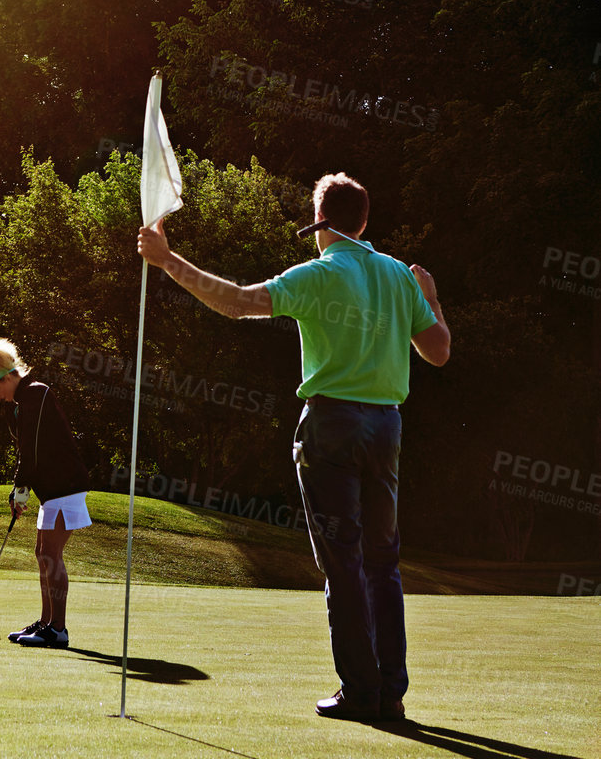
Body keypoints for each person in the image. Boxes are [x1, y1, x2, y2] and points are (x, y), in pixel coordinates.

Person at [137, 171, 450, 722]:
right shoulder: (402, 277)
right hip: (386, 428)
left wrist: (167, 261)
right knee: (383, 564)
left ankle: (360, 691)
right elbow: (439, 351)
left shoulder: (319, 273)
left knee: (343, 564)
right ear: (364, 222)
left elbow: (235, 303)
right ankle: (390, 692)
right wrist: (430, 298)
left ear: (321, 224)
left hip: (331, 425)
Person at [0, 339, 93, 649]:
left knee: (51, 555)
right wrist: (20, 490)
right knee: (43, 554)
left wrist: (21, 490)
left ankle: (58, 630)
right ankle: (45, 624)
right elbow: (25, 451)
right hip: (52, 490)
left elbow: (31, 449)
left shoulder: (36, 393)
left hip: (65, 485)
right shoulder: (23, 402)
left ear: (5, 377)